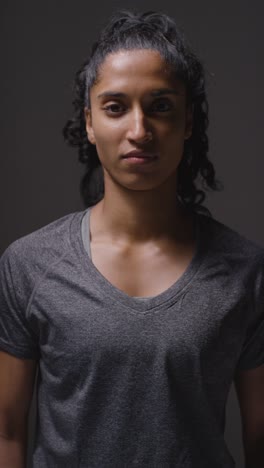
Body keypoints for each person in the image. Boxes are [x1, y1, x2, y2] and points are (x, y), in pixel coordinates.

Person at [0, 9, 263, 468]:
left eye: (160, 106)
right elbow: (7, 429)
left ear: (187, 122)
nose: (139, 131)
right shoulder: (29, 264)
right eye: (116, 107)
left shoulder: (245, 271)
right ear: (89, 122)